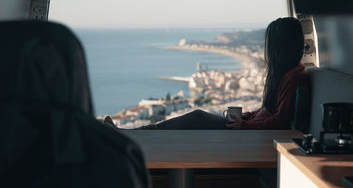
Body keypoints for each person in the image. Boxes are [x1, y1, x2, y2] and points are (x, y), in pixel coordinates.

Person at [105, 17, 309, 130]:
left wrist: (244, 125)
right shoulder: (289, 73)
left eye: (270, 45)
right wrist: (245, 117)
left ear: (280, 47)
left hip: (251, 134)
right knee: (197, 118)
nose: (267, 51)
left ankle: (131, 135)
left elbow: (280, 122)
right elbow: (269, 112)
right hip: (249, 129)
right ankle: (132, 135)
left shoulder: (294, 76)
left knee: (197, 117)